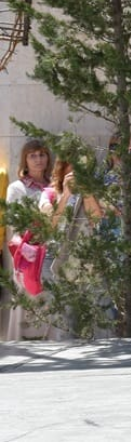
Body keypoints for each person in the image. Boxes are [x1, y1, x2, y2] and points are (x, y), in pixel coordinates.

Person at [2, 139, 52, 341]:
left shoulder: (54, 186)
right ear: (25, 160)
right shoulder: (16, 188)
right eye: (32, 156)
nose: (38, 160)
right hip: (28, 254)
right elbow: (13, 222)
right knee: (26, 301)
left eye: (41, 155)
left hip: (51, 253)